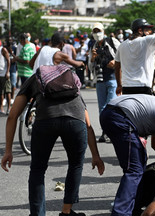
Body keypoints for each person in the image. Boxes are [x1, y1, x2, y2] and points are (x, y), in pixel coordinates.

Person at [1, 32, 105, 216]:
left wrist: (8, 150)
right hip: (75, 122)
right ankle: (66, 212)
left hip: (45, 121)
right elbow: (87, 123)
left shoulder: (36, 77)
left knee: (38, 169)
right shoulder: (71, 77)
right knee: (75, 165)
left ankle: (37, 214)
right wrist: (95, 155)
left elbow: (13, 116)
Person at [115, 18, 155, 96]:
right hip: (143, 87)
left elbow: (117, 68)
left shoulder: (122, 45)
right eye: (147, 30)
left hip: (127, 88)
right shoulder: (146, 40)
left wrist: (119, 85)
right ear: (140, 30)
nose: (149, 33)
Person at [89, 22, 121, 143]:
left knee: (110, 106)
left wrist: (115, 62)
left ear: (103, 31)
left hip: (113, 78)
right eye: (95, 31)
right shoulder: (93, 46)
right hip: (100, 80)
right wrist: (92, 58)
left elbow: (122, 54)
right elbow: (90, 65)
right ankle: (105, 132)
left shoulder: (112, 42)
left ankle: (110, 131)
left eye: (99, 31)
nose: (97, 34)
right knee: (102, 108)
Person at [0, 41, 11, 115]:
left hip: (4, 74)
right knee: (1, 92)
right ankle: (1, 108)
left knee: (7, 92)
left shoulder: (3, 50)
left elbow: (8, 60)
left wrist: (7, 72)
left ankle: (9, 108)